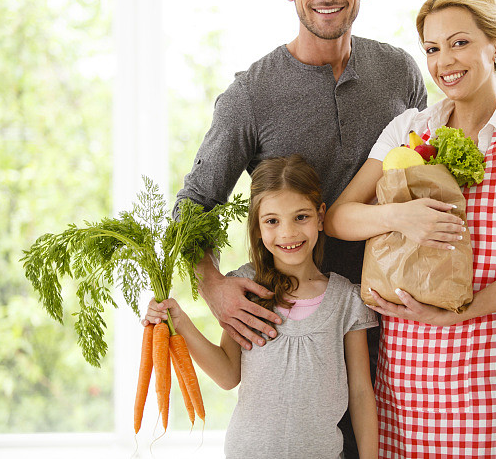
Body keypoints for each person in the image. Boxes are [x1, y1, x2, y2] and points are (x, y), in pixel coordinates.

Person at [324, 0, 496, 458]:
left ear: (495, 46)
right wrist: (399, 215)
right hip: (403, 382)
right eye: (432, 49)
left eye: (459, 43)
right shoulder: (409, 128)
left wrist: (454, 313)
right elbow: (338, 218)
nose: (444, 62)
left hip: (481, 382)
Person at [174, 0, 426, 348]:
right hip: (293, 334)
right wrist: (213, 287)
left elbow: (421, 176)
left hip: (399, 325)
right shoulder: (251, 95)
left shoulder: (400, 72)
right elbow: (194, 205)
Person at [147, 155, 378, 458]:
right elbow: (228, 376)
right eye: (272, 221)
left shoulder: (347, 300)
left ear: (320, 216)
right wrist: (180, 322)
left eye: (301, 217)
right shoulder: (243, 288)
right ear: (257, 227)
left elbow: (361, 394)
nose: (288, 233)